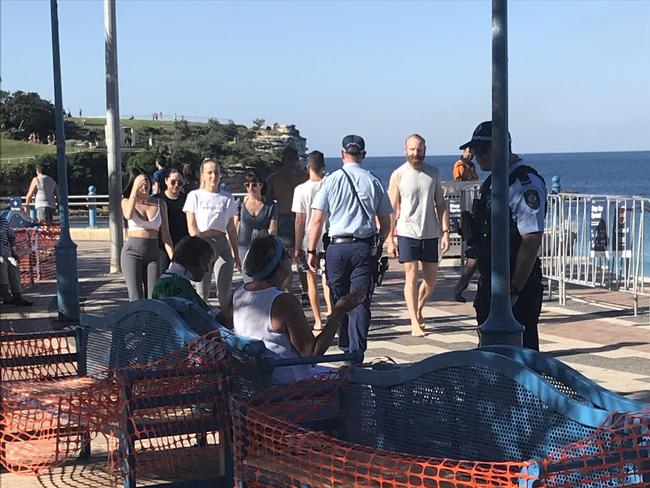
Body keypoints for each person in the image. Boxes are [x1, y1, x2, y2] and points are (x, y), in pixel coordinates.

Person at [221, 235, 364, 384]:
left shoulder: (239, 294)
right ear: (281, 264)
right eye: (288, 255)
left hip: (253, 380)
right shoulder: (283, 301)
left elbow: (219, 322)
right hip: (288, 385)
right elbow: (311, 354)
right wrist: (338, 313)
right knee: (358, 379)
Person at [459, 121, 547, 350]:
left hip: (518, 284)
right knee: (490, 354)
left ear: (500, 148)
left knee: (521, 356)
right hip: (492, 281)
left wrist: (514, 290)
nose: (477, 156)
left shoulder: (523, 184)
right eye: (475, 151)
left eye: (483, 150)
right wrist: (465, 277)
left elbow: (531, 239)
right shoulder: (491, 183)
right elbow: (482, 237)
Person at [307, 135, 393, 355]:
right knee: (360, 298)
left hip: (336, 247)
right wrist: (378, 242)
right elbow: (386, 224)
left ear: (342, 154)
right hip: (364, 248)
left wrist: (310, 251)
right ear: (363, 155)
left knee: (339, 297)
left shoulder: (331, 180)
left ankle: (344, 344)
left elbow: (317, 219)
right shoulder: (373, 181)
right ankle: (357, 351)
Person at [387, 134, 450, 336]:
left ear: (425, 149)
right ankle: (414, 321)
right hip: (407, 231)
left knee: (431, 279)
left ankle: (419, 308)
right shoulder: (398, 174)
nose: (416, 153)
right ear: (405, 150)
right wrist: (390, 238)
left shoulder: (433, 173)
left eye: (420, 149)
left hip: (430, 232)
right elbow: (391, 209)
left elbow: (441, 203)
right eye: (412, 149)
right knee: (411, 275)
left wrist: (446, 232)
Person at [183, 158, 240, 308]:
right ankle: (202, 326)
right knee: (201, 293)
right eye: (209, 173)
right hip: (202, 244)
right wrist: (198, 248)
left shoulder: (227, 197)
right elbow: (191, 227)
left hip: (222, 245)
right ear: (202, 174)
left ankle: (226, 326)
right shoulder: (194, 196)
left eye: (216, 173)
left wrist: (236, 254)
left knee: (224, 293)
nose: (213, 176)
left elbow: (231, 228)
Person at [292, 150, 332, 330]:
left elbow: (299, 219)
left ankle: (318, 320)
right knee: (328, 280)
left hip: (309, 239)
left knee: (311, 280)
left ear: (307, 167)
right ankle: (331, 311)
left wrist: (297, 244)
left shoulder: (300, 190)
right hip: (329, 236)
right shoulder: (330, 186)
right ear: (323, 167)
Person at [121, 168, 174, 301]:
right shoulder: (126, 201)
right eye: (141, 182)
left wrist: (173, 258)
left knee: (154, 296)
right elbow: (127, 214)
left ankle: (151, 322)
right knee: (136, 296)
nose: (145, 185)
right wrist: (134, 190)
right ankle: (137, 321)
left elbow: (166, 235)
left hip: (153, 252)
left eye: (147, 181)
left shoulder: (160, 203)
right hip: (132, 252)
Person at [266, 145, 307, 292]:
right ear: (296, 159)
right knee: (302, 257)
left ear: (282, 159)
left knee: (286, 260)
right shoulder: (304, 177)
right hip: (302, 218)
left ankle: (286, 292)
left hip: (283, 219)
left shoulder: (274, 178)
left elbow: (267, 202)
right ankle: (306, 292)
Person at [152, 236, 213, 310]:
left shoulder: (160, 282)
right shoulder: (180, 285)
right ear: (191, 260)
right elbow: (202, 315)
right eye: (205, 263)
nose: (207, 269)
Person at [235, 170, 278, 272]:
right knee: (248, 279)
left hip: (263, 248)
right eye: (247, 185)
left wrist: (271, 250)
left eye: (254, 185)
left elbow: (273, 231)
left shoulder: (271, 206)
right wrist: (234, 251)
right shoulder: (240, 203)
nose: (250, 188)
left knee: (262, 279)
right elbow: (235, 226)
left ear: (261, 185)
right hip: (243, 247)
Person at [156, 168, 189, 271]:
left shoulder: (187, 199)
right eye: (173, 182)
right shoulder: (157, 200)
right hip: (162, 245)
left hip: (183, 245)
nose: (176, 185)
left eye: (179, 183)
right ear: (166, 180)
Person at [0, 215, 33, 306]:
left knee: (13, 263)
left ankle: (17, 296)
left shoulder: (3, 221)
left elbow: (11, 237)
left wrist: (14, 252)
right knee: (2, 263)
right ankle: (6, 296)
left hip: (6, 252)